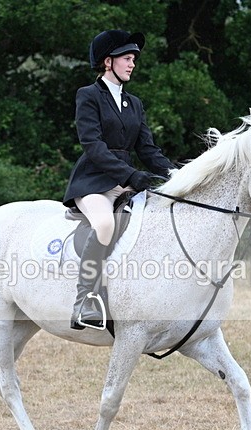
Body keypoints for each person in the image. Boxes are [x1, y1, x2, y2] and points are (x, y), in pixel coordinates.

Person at [64, 29, 175, 330]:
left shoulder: (134, 103)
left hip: (127, 181)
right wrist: (132, 175)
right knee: (104, 224)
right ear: (107, 61)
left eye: (133, 59)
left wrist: (174, 175)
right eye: (127, 58)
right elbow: (94, 147)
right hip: (94, 181)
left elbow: (148, 150)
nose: (132, 64)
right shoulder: (88, 96)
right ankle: (84, 302)